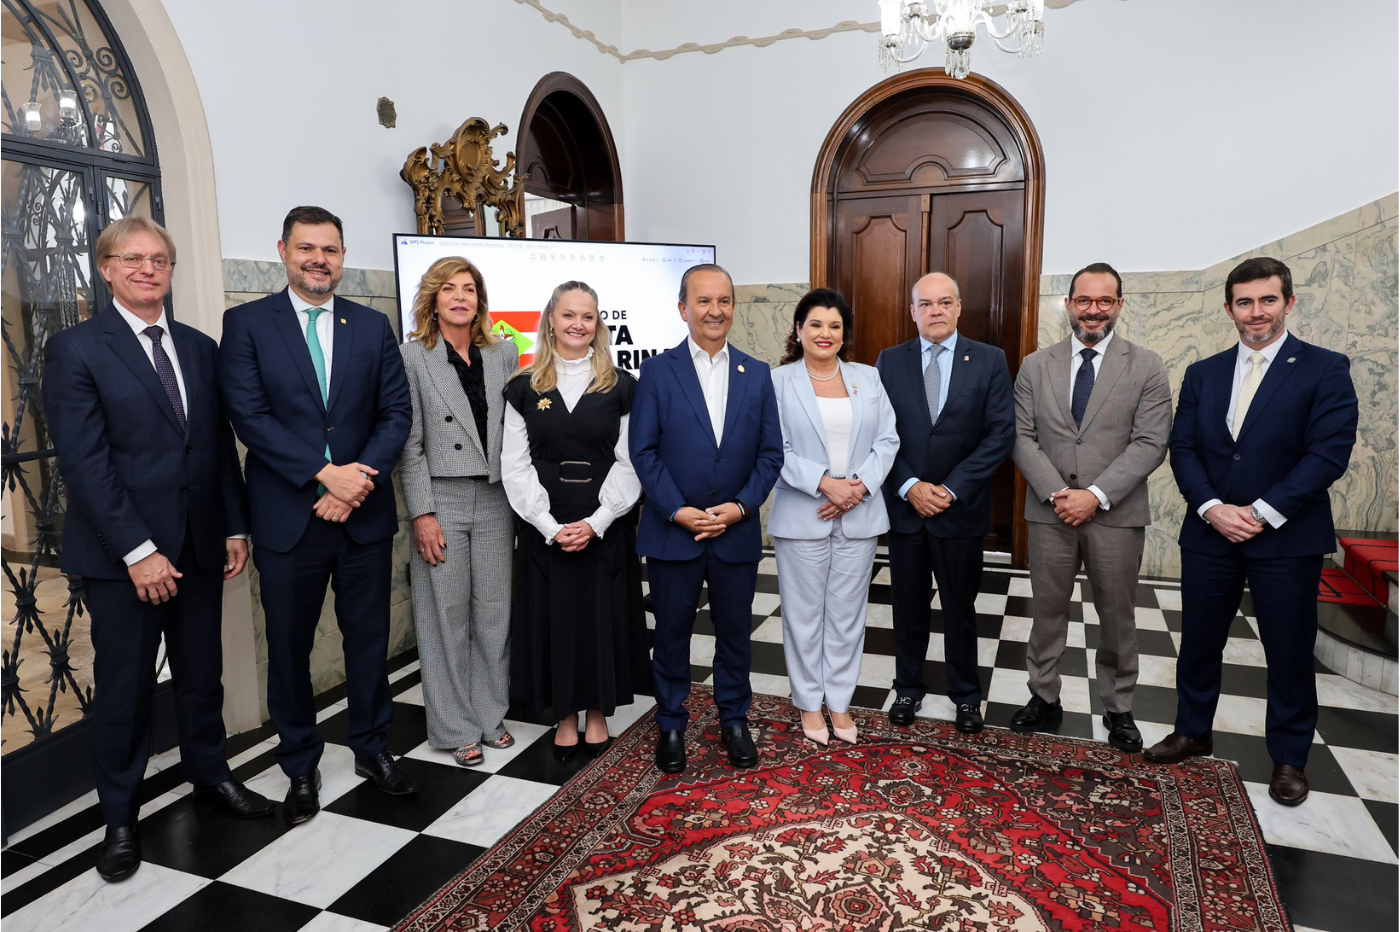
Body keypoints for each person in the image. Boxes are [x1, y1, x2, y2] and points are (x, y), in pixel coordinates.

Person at [42, 217, 273, 883]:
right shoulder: (76, 350)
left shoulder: (200, 349)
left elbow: (215, 447)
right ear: (107, 269)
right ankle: (119, 818)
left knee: (203, 678)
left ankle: (211, 778)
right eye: (133, 259)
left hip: (201, 548)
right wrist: (137, 551)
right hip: (123, 562)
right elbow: (86, 468)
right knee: (126, 692)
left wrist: (235, 526)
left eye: (160, 259)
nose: (149, 269)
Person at [219, 205, 415, 824]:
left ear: (342, 255)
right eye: (306, 248)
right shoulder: (247, 323)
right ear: (283, 252)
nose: (318, 260)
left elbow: (395, 415)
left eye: (329, 249)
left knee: (368, 642)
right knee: (289, 648)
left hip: (362, 516)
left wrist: (354, 482)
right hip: (288, 518)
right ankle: (300, 765)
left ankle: (372, 749)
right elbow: (249, 417)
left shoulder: (372, 325)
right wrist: (322, 473)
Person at [1145, 257, 1357, 806]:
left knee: (1288, 651)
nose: (1256, 312)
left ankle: (1289, 758)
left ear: (1289, 302)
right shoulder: (1203, 372)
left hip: (1287, 537)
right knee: (1198, 642)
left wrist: (1262, 511)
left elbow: (1328, 453)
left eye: (1267, 300)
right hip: (1211, 530)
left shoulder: (1325, 368)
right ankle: (1193, 730)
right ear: (1228, 308)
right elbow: (1184, 446)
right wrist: (1213, 506)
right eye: (1245, 302)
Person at [1008, 262, 1173, 752]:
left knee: (1117, 617)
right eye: (1084, 300)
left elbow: (1150, 443)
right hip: (1050, 512)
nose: (1093, 309)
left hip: (1116, 516)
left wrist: (1094, 496)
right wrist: (1060, 494)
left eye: (1105, 300)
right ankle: (1044, 697)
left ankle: (1118, 708)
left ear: (1119, 305)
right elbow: (1021, 436)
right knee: (1046, 612)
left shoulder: (1147, 365)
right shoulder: (1036, 366)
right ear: (1069, 304)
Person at [630, 263, 783, 774]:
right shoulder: (656, 371)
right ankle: (671, 723)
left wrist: (740, 507)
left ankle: (733, 719)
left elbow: (770, 454)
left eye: (723, 301)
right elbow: (643, 452)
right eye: (703, 301)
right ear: (683, 308)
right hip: (674, 532)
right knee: (671, 631)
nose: (714, 310)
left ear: (733, 308)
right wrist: (678, 510)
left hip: (734, 532)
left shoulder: (756, 373)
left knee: (735, 632)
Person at [503, 281, 650, 761]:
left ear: (598, 325)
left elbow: (631, 461)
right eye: (568, 315)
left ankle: (597, 713)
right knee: (555, 619)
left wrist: (600, 520)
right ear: (551, 319)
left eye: (588, 317)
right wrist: (548, 526)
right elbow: (514, 464)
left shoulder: (622, 385)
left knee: (601, 616)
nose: (577, 325)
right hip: (545, 523)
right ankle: (564, 714)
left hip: (604, 521)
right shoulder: (523, 387)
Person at [876, 272, 1015, 734]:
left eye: (944, 302)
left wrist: (951, 489)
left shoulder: (990, 359)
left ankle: (967, 696)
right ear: (912, 311)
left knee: (961, 607)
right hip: (906, 510)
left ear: (959, 308)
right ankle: (908, 689)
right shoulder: (889, 362)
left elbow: (1000, 434)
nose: (935, 311)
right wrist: (909, 484)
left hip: (960, 511)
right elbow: (877, 435)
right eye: (925, 304)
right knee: (907, 607)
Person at [398, 257, 520, 767]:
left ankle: (490, 716)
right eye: (449, 288)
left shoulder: (503, 353)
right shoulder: (413, 357)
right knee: (444, 616)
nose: (460, 297)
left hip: (495, 497)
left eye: (469, 289)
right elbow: (409, 446)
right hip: (441, 499)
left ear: (479, 300)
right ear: (432, 297)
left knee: (494, 615)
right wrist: (421, 514)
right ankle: (453, 727)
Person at [769, 288, 899, 745]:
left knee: (847, 616)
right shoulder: (778, 382)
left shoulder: (867, 377)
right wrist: (826, 483)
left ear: (845, 333)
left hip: (860, 514)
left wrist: (857, 487)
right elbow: (774, 449)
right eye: (817, 325)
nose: (826, 334)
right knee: (803, 616)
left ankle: (839, 703)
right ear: (800, 330)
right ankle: (808, 703)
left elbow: (888, 440)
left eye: (835, 326)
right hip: (803, 514)